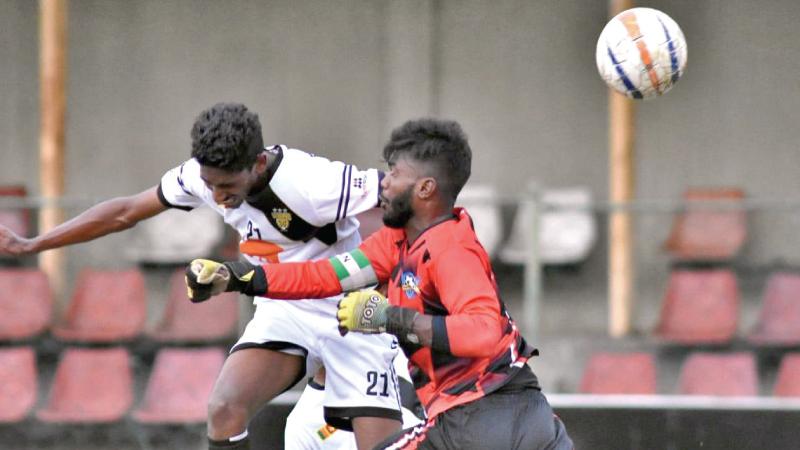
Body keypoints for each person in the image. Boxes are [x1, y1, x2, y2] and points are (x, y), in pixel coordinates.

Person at [0, 103, 410, 450]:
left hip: (350, 315)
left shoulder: (312, 181)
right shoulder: (199, 176)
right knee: (223, 410)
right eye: (210, 185)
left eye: (228, 185)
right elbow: (125, 211)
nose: (217, 197)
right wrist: (32, 244)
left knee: (382, 445)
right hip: (283, 309)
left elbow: (403, 196)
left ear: (258, 163)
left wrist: (395, 278)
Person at [186, 118, 574, 449]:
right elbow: (326, 275)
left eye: (395, 174)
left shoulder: (450, 247)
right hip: (503, 418)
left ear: (425, 188)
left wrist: (390, 318)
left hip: (484, 414)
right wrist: (241, 277)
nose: (384, 184)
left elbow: (486, 332)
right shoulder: (398, 242)